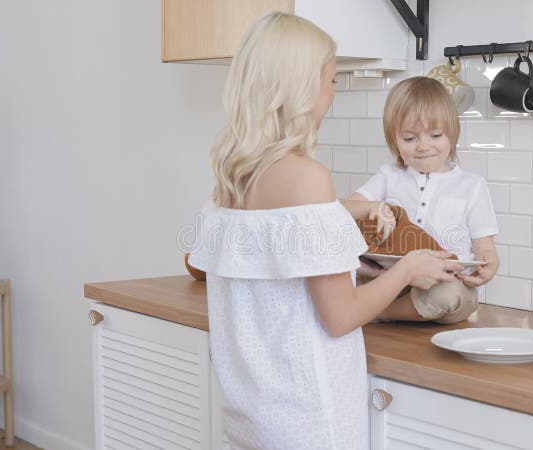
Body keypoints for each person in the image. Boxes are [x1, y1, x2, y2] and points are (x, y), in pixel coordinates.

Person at [189, 13, 463, 450]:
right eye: (331, 81)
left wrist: (365, 238)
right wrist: (408, 268)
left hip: (253, 414)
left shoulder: (232, 177)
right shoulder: (306, 176)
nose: (331, 96)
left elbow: (286, 257)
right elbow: (340, 317)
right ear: (302, 89)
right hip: (311, 413)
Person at [343, 76, 500, 324]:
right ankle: (383, 306)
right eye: (410, 139)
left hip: (446, 283)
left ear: (452, 134)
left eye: (435, 135)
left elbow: (485, 246)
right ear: (393, 140)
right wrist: (376, 206)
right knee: (343, 268)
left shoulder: (472, 186)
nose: (423, 146)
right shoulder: (389, 176)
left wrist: (488, 266)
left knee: (449, 297)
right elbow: (343, 210)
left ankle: (379, 312)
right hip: (391, 279)